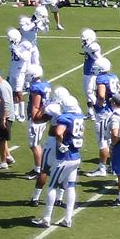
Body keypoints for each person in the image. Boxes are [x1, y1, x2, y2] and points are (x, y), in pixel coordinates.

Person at [36, 92, 83, 227]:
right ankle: (68, 218)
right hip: (76, 156)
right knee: (71, 187)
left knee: (52, 186)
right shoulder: (79, 116)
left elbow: (58, 132)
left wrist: (60, 144)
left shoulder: (65, 117)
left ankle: (46, 218)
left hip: (65, 158)